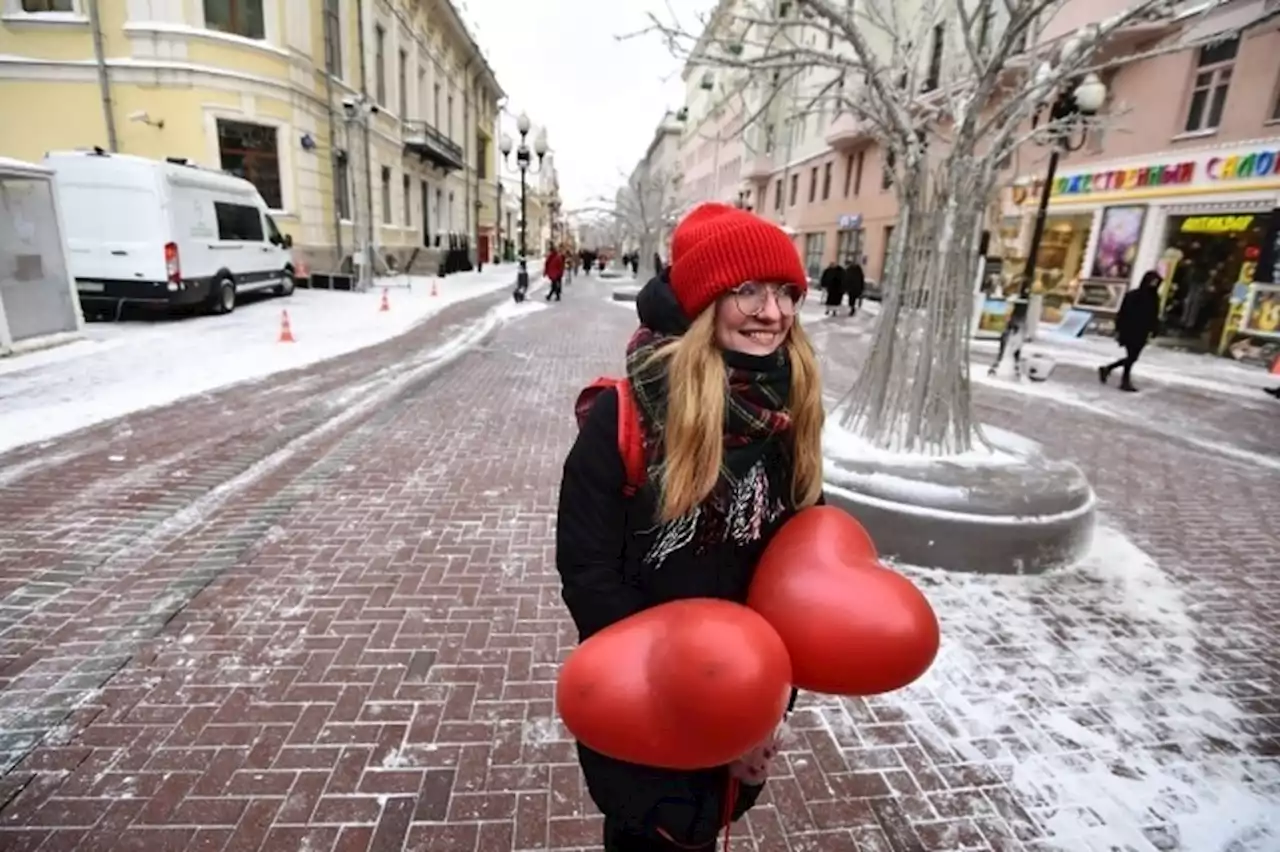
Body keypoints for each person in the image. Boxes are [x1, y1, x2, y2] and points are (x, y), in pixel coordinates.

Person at [556, 202, 826, 852]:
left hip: (745, 692)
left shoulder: (787, 411)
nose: (774, 312)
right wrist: (682, 683)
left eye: (786, 291)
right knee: (649, 833)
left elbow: (802, 559)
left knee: (709, 828)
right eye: (748, 290)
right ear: (706, 300)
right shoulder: (623, 418)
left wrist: (761, 692)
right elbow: (587, 572)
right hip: (646, 689)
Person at [1099, 270, 1162, 392]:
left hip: (1142, 331)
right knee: (1132, 357)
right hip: (1130, 330)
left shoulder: (1154, 298)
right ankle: (1123, 380)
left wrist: (1154, 329)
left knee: (1132, 357)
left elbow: (1154, 315)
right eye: (1152, 281)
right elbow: (1122, 313)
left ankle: (1108, 369)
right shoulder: (1133, 295)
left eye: (1156, 282)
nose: (1154, 284)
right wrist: (1119, 329)